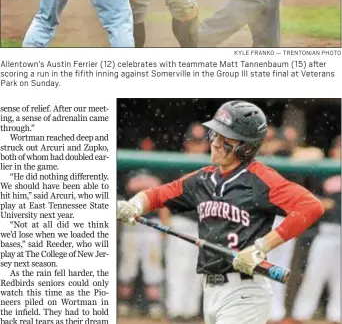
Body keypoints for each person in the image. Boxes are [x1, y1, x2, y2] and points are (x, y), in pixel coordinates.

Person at [117, 100, 324, 324]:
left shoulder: (261, 178)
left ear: (246, 146)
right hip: (211, 291)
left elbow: (311, 206)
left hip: (245, 292)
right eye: (214, 135)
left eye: (225, 140)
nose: (215, 143)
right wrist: (136, 204)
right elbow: (156, 195)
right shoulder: (203, 178)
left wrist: (261, 247)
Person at [283, 135, 341, 324]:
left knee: (340, 281)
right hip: (326, 231)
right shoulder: (323, 170)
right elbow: (307, 194)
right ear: (333, 150)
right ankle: (302, 315)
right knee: (314, 275)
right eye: (340, 147)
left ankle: (336, 316)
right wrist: (320, 202)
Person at [165, 127, 209, 320]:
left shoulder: (213, 167)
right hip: (181, 221)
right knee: (178, 268)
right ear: (187, 143)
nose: (197, 146)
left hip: (204, 226)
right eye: (194, 141)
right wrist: (166, 224)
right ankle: (176, 310)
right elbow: (163, 195)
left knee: (198, 271)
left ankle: (190, 312)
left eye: (201, 142)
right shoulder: (177, 164)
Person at [118, 170, 166, 319]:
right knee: (128, 265)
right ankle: (124, 303)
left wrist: (165, 224)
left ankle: (154, 305)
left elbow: (164, 200)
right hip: (130, 222)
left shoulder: (160, 170)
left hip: (152, 223)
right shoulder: (127, 172)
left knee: (152, 265)